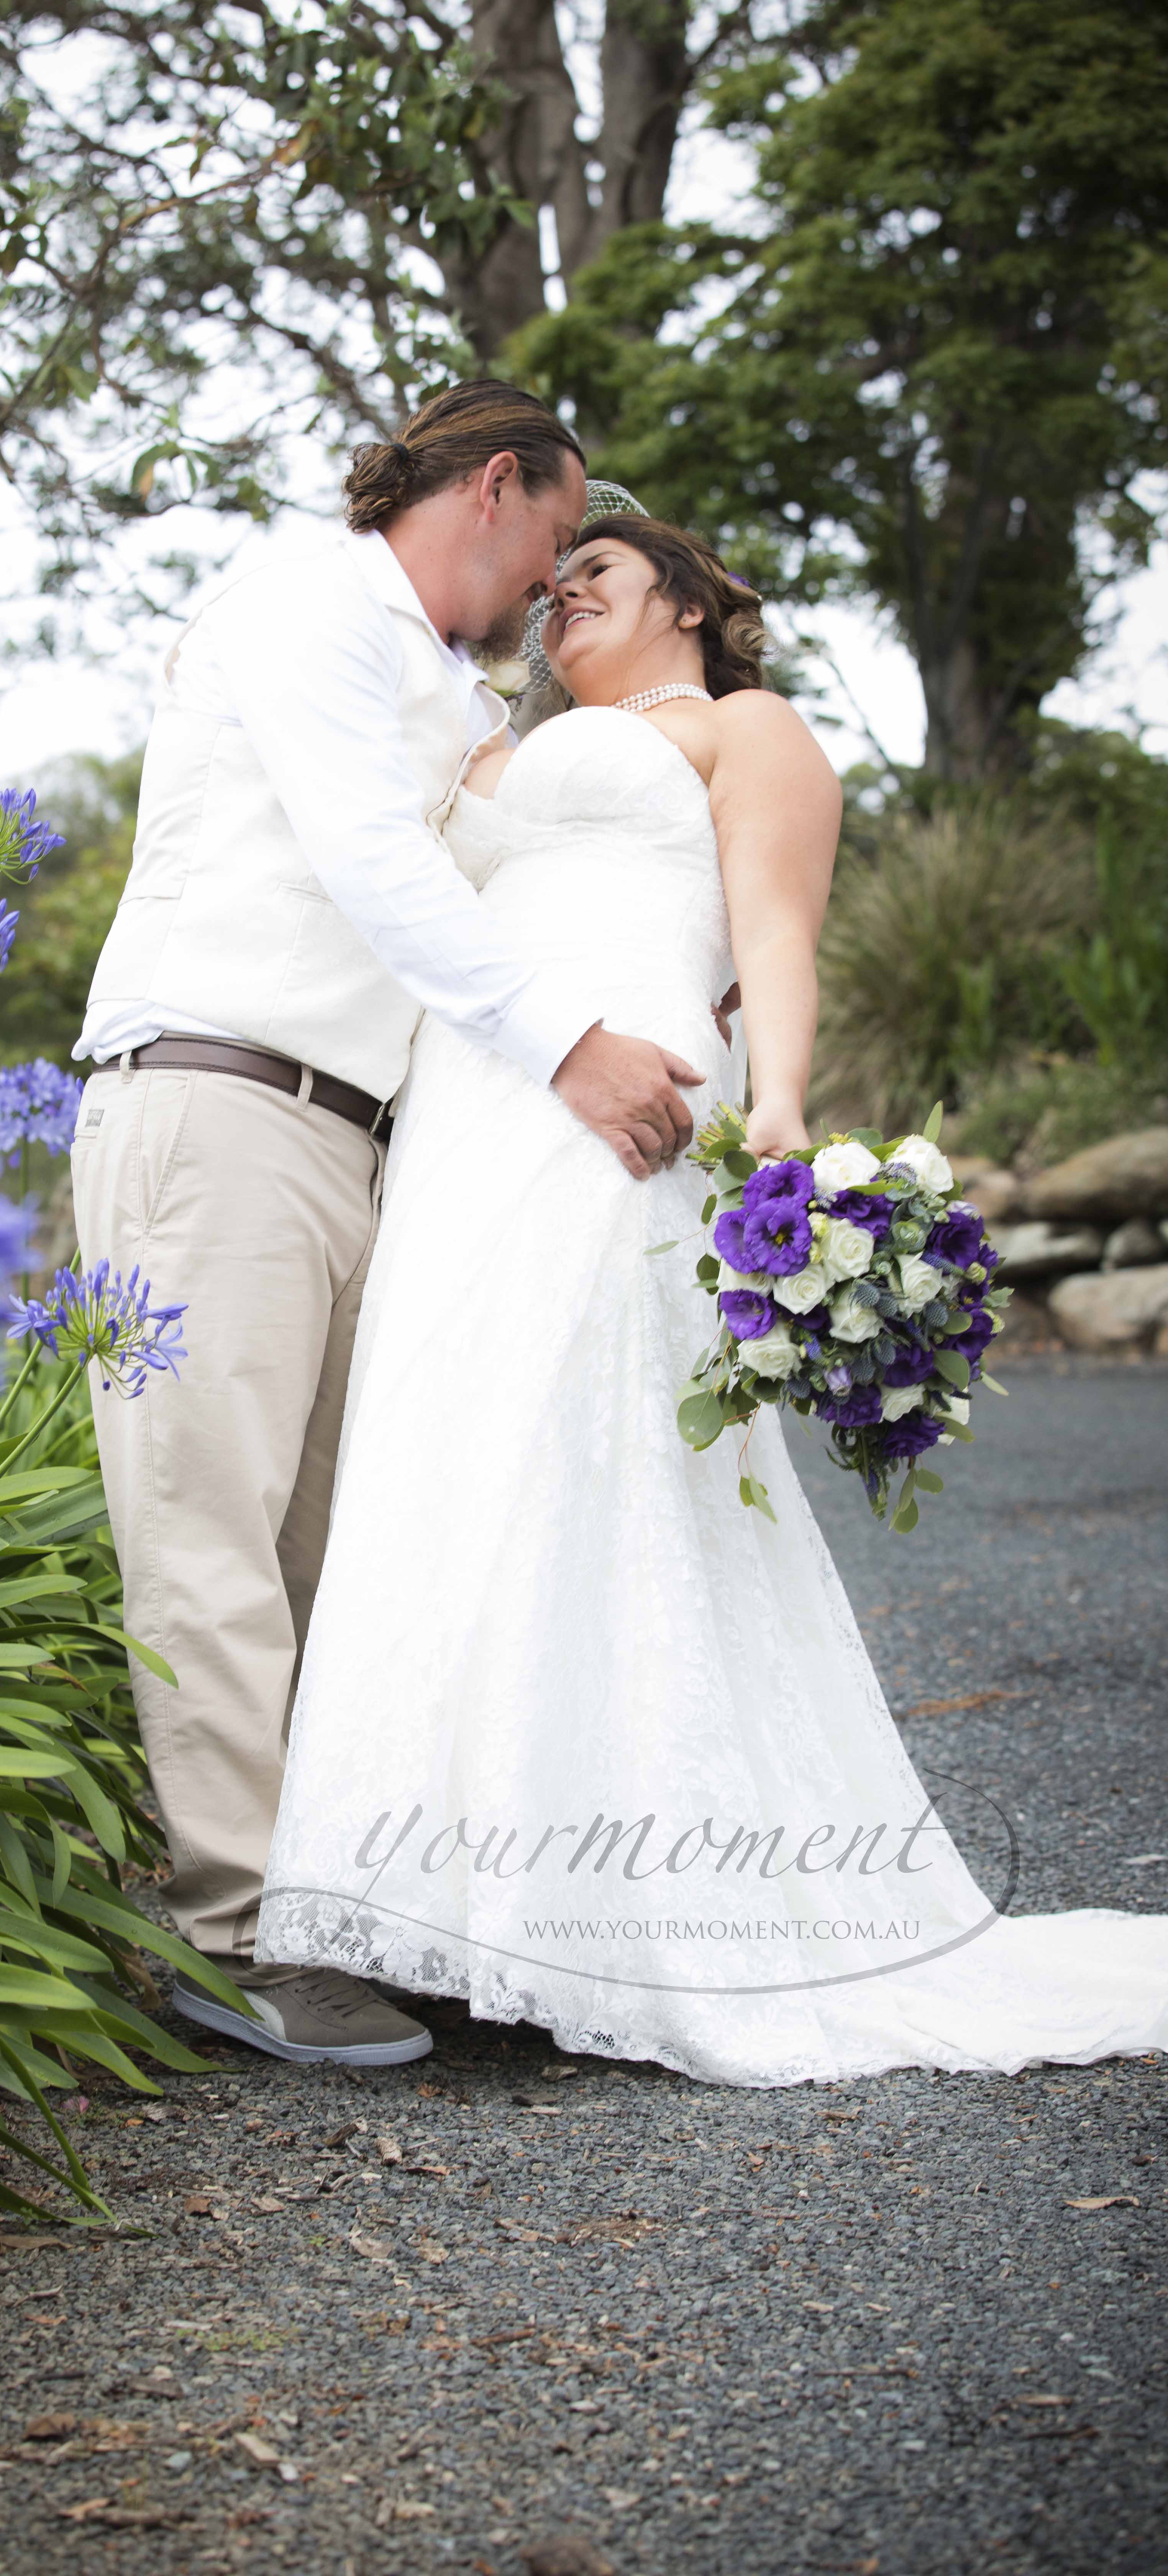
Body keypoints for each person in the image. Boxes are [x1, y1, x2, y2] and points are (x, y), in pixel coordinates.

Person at [255, 512, 1168, 2085]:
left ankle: (622, 1911)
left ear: (687, 600)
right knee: (443, 1462)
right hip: (469, 1117)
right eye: (548, 590)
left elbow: (776, 928)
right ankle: (452, 1897)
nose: (559, 603)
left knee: (587, 1445)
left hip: (631, 1107)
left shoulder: (742, 728)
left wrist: (791, 1117)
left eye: (593, 576)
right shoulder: (494, 738)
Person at [70, 383, 717, 2068]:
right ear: (493, 487)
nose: (552, 584)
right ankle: (230, 1942)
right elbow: (370, 855)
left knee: (342, 1540)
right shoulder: (305, 603)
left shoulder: (439, 675)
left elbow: (517, 857)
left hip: (363, 1139)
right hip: (214, 1105)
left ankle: (346, 1907)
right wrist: (571, 1049)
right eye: (555, 539)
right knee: (204, 1533)